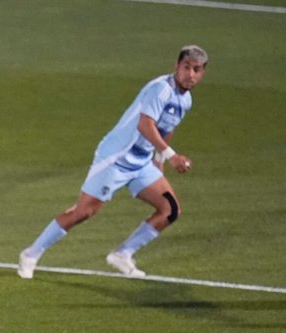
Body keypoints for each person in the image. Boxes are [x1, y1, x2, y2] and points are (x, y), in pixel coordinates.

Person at [17, 46, 208, 279]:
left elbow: (166, 128)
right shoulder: (161, 90)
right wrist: (172, 156)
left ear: (202, 73)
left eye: (196, 70)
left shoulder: (185, 100)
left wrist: (158, 163)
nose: (190, 74)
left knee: (171, 210)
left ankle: (123, 254)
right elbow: (145, 125)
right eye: (186, 67)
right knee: (84, 212)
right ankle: (31, 254)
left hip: (140, 163)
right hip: (116, 157)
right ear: (176, 67)